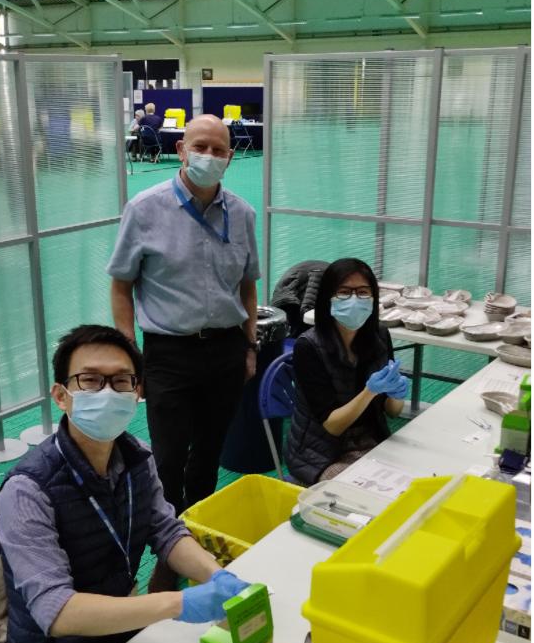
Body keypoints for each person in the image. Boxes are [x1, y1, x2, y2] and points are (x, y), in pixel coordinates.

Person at [0, 324, 249, 643]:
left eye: (120, 382)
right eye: (90, 380)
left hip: (123, 637)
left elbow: (165, 531)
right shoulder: (28, 489)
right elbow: (57, 611)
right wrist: (178, 604)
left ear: (137, 393)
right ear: (61, 396)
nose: (107, 393)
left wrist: (217, 576)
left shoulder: (136, 457)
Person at [107, 114, 259, 517]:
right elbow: (121, 286)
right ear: (181, 150)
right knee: (169, 458)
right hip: (168, 354)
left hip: (226, 350)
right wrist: (130, 355)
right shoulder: (144, 209)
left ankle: (200, 526)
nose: (209, 156)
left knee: (209, 453)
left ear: (230, 157)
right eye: (200, 147)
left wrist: (249, 346)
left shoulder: (242, 214)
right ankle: (168, 540)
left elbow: (247, 286)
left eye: (218, 150)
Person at [284, 258, 408, 485]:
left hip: (371, 439)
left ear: (373, 298)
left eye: (362, 292)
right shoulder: (309, 346)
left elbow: (392, 412)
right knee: (366, 493)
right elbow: (332, 425)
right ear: (327, 298)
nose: (354, 300)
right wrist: (369, 392)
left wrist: (396, 395)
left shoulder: (379, 335)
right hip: (320, 452)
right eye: (344, 292)